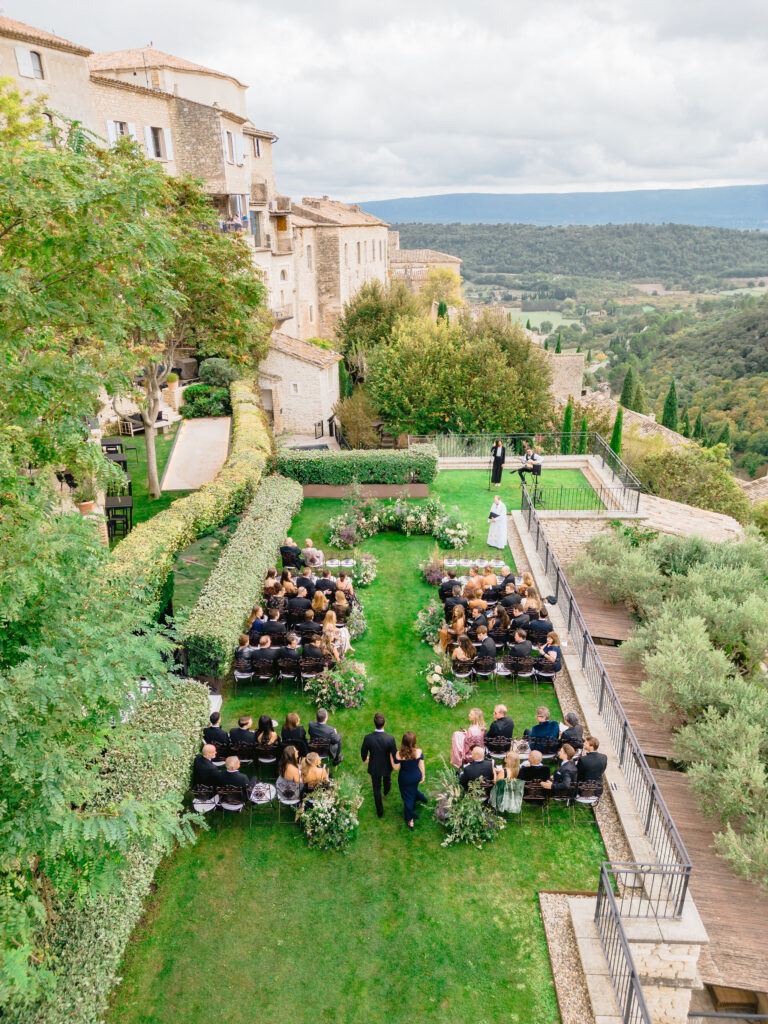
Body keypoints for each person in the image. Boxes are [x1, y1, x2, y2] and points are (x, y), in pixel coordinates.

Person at [361, 712, 397, 818]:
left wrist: (365, 759)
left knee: (376, 789)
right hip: (387, 766)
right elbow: (394, 753)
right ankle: (386, 790)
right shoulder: (390, 738)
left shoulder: (368, 738)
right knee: (387, 779)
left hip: (375, 766)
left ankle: (380, 812)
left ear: (374, 723)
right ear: (384, 723)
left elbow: (363, 751)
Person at [390, 731, 427, 830]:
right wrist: (423, 776)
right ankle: (421, 797)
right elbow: (421, 765)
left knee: (407, 799)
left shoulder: (399, 754)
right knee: (412, 790)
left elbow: (395, 768)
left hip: (405, 779)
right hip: (416, 777)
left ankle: (410, 819)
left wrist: (390, 756)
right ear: (414, 741)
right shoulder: (419, 751)